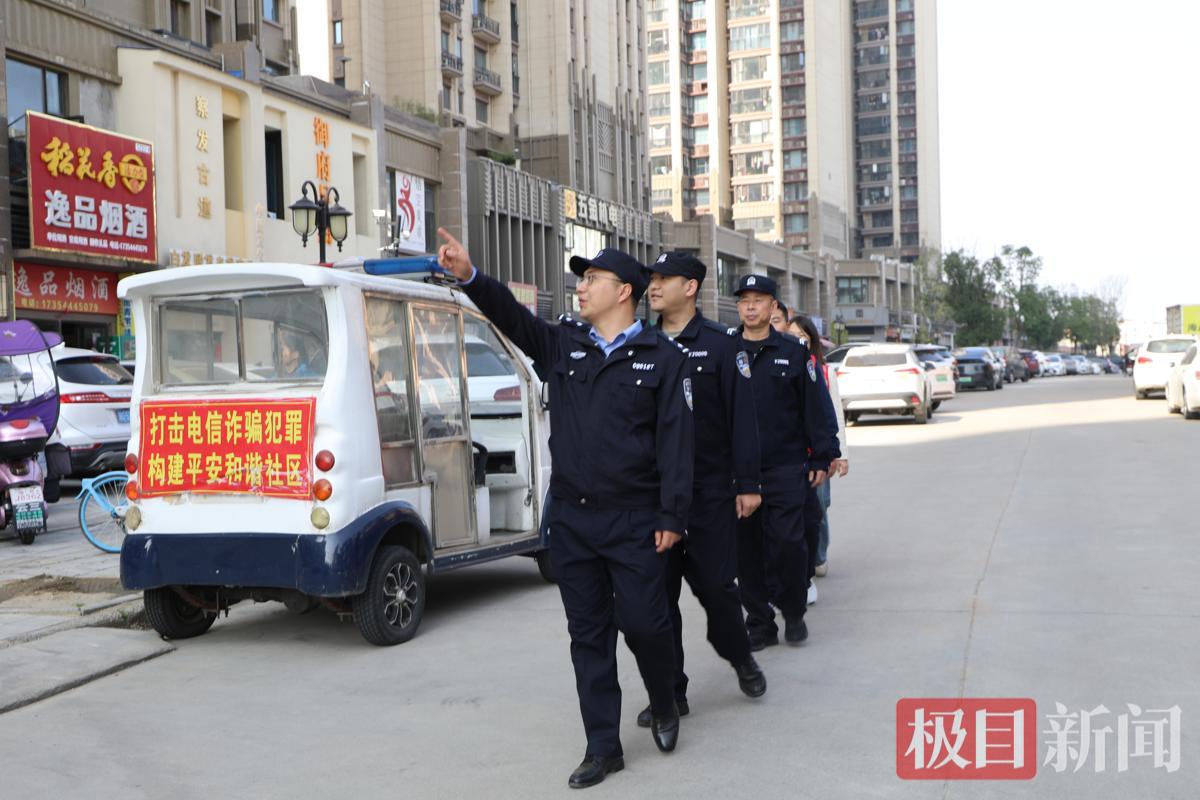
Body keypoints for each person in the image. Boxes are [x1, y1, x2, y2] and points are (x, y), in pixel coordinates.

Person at [436, 229, 693, 790]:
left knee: (646, 624)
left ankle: (665, 698)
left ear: (623, 291)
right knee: (588, 636)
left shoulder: (662, 359)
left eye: (593, 278)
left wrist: (673, 516)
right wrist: (471, 277)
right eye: (582, 278)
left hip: (635, 519)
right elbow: (514, 320)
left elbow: (677, 442)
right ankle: (603, 746)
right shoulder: (564, 345)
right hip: (574, 521)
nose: (582, 286)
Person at [631, 251, 767, 728]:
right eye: (651, 278)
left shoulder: (722, 345)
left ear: (690, 287)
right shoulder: (640, 344)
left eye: (664, 279)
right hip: (654, 496)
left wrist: (748, 484)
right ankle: (671, 692)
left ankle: (741, 658)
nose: (653, 286)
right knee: (658, 599)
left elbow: (743, 419)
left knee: (716, 589)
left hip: (709, 492)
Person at [732, 274, 840, 649]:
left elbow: (815, 406)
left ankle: (793, 611)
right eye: (744, 300)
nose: (750, 307)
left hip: (785, 467)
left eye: (758, 300)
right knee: (746, 552)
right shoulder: (726, 351)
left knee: (788, 545)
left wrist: (823, 454)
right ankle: (760, 623)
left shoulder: (793, 352)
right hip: (739, 471)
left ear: (774, 307)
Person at [787, 316, 849, 598]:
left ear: (812, 340)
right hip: (791, 458)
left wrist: (839, 454)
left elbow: (833, 414)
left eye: (803, 336)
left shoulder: (822, 370)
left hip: (818, 456)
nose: (797, 341)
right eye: (792, 335)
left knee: (820, 506)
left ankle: (817, 556)